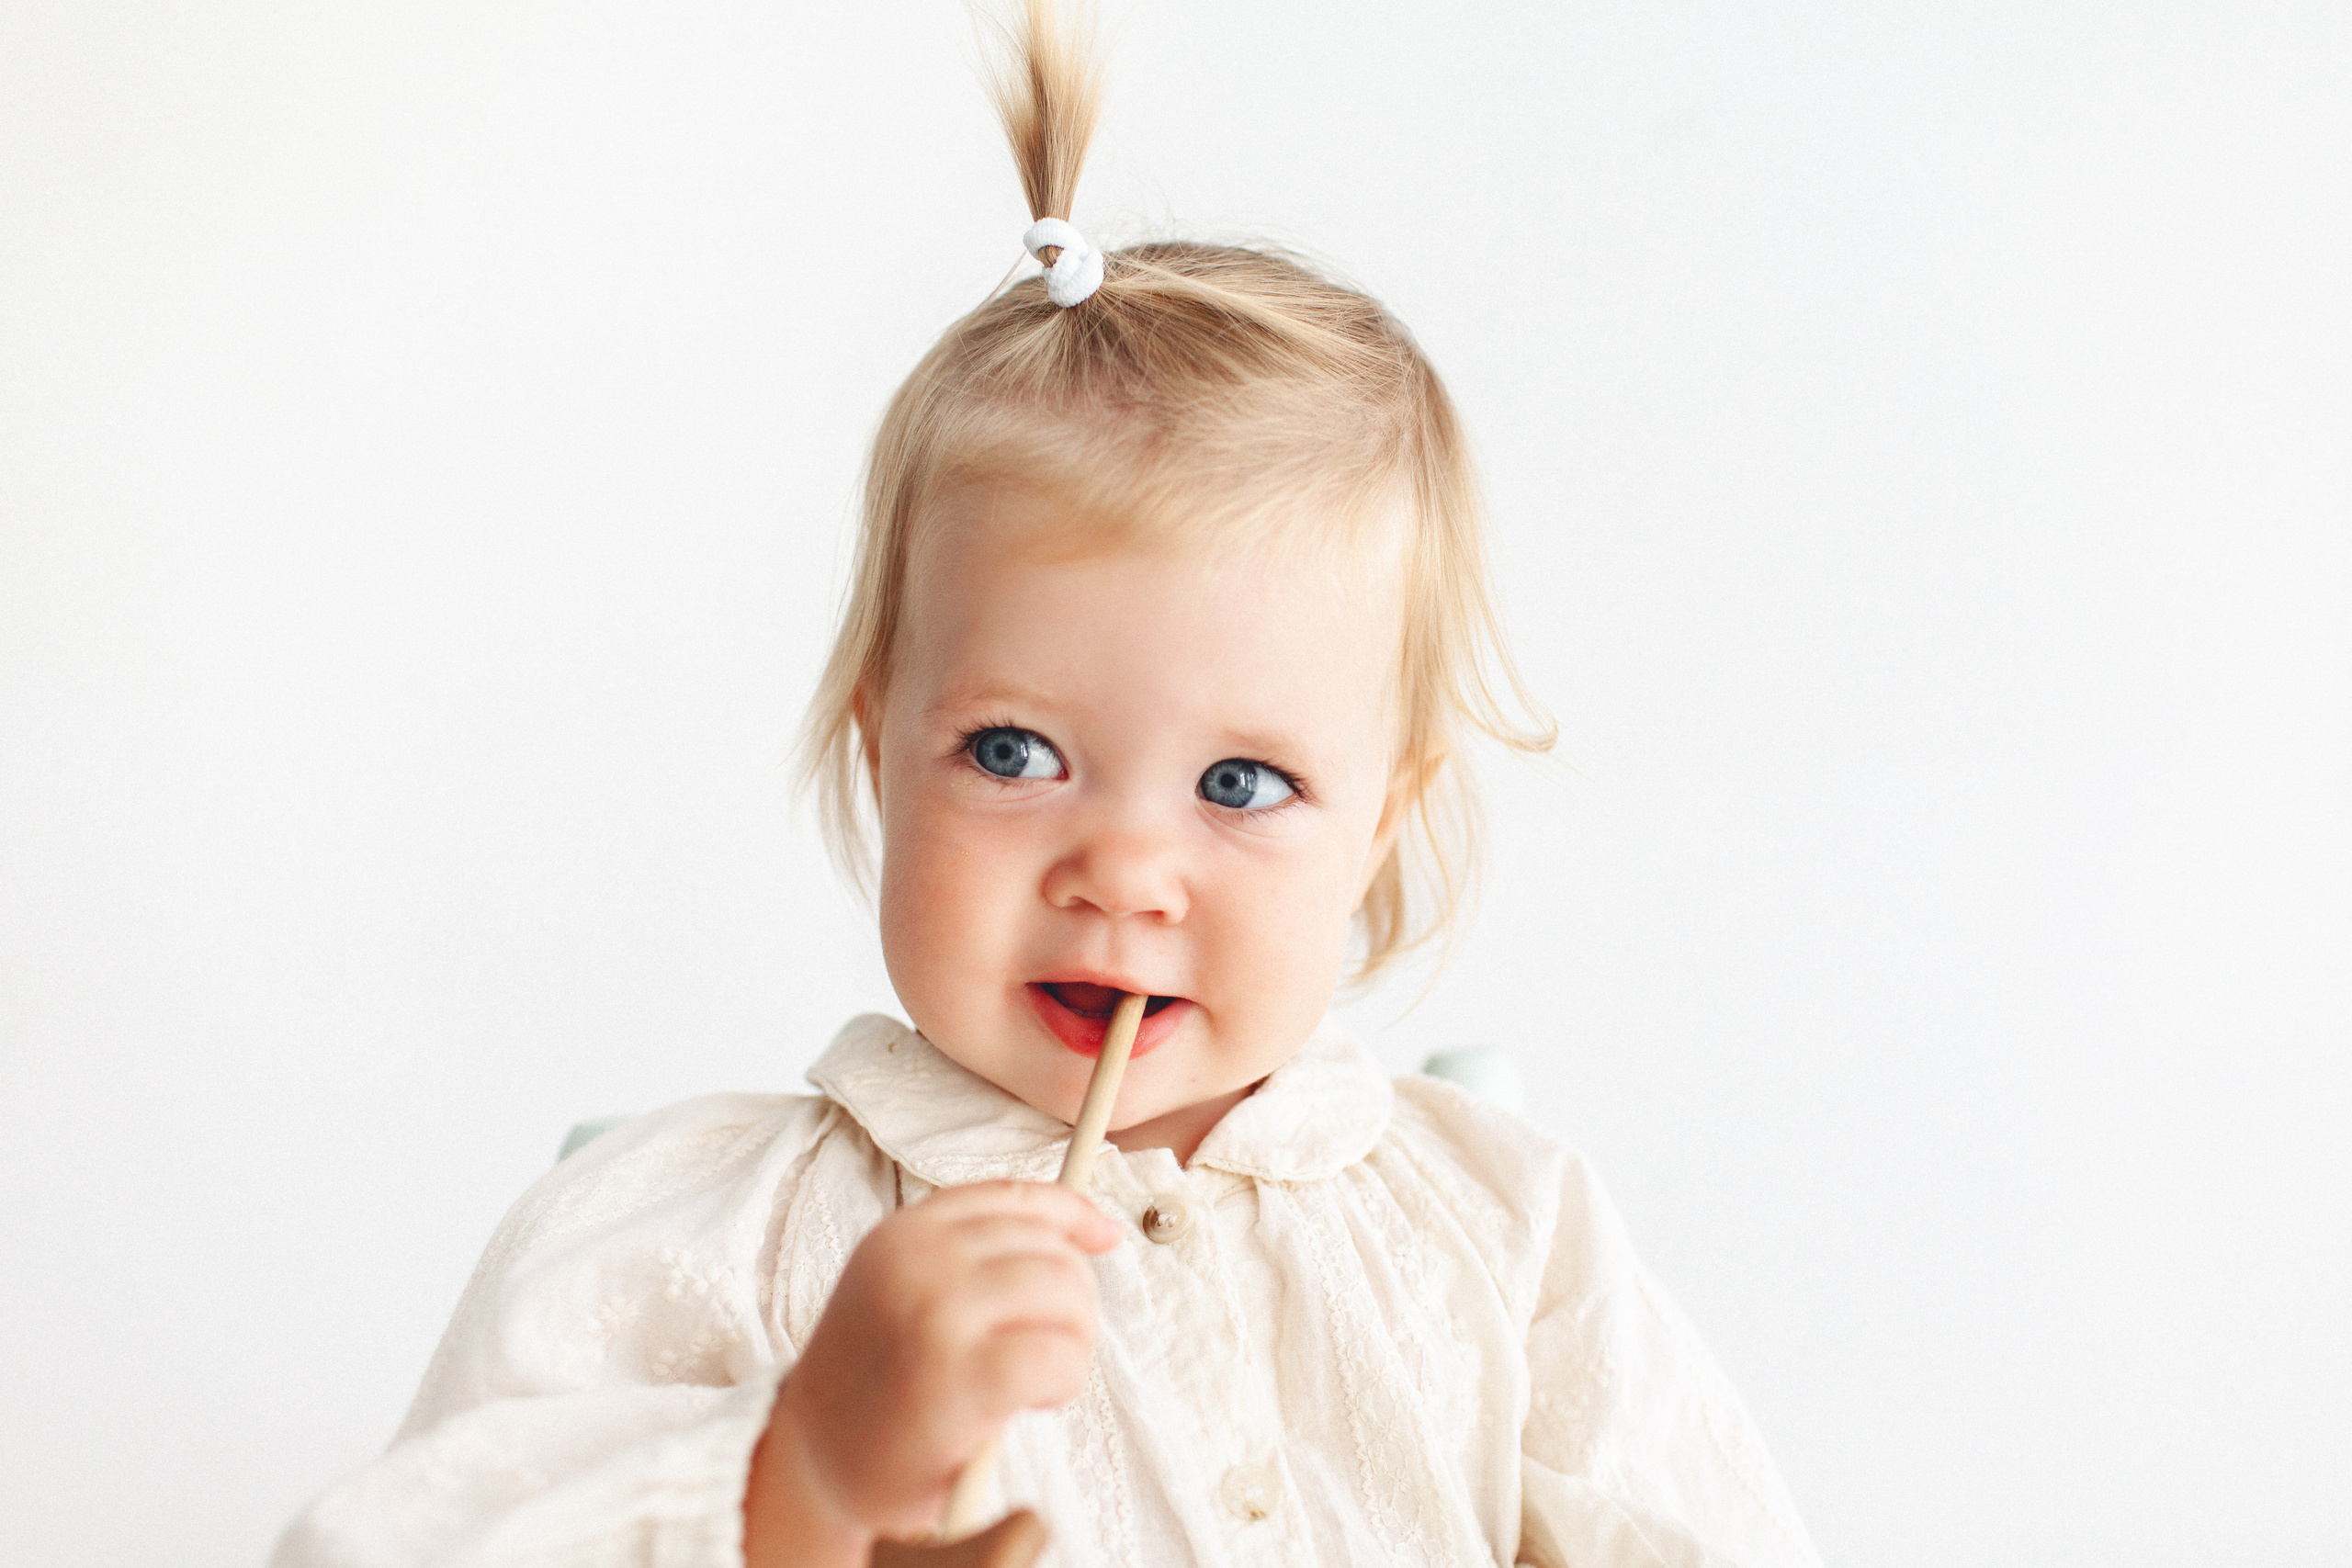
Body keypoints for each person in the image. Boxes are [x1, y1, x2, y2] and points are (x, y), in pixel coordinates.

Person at [274, 5, 1820, 1564]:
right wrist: (798, 1473)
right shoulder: (706, 1238)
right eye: (1016, 755)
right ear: (885, 757)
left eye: (1242, 780)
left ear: (1381, 827)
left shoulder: (1504, 1228)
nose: (1125, 871)